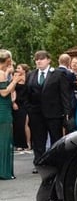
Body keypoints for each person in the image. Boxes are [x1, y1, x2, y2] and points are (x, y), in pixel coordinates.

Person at [25, 50, 72, 173]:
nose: (39, 61)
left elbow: (64, 94)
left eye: (41, 59)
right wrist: (29, 109)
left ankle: (57, 163)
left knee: (56, 139)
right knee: (38, 140)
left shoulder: (57, 74)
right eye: (36, 59)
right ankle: (39, 163)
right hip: (36, 113)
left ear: (48, 60)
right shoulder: (31, 74)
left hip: (54, 113)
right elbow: (27, 94)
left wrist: (67, 112)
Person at [0, 49, 23, 179]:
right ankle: (3, 171)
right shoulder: (1, 73)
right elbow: (3, 93)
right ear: (7, 59)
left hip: (5, 107)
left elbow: (9, 90)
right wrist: (15, 80)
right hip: (2, 109)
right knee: (4, 139)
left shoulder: (4, 73)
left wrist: (12, 79)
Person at [11, 63, 30, 151]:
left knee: (25, 124)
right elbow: (12, 90)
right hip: (17, 103)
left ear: (24, 70)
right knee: (16, 124)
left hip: (26, 103)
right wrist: (13, 102)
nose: (17, 69)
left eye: (19, 68)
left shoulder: (29, 79)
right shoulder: (15, 78)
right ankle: (18, 143)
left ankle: (27, 143)